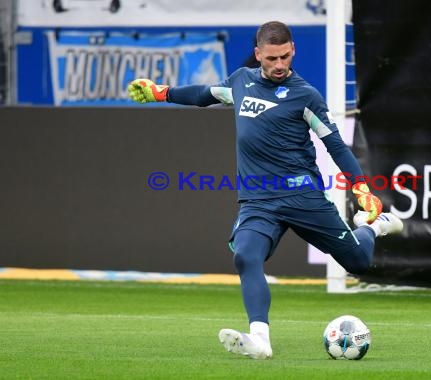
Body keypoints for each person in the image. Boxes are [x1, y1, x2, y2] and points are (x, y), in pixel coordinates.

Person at [127, 21, 403, 360]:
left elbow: (336, 145)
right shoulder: (241, 82)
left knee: (358, 261)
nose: (279, 65)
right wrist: (162, 92)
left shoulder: (306, 96)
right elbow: (204, 94)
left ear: (293, 51)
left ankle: (373, 226)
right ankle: (260, 339)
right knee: (245, 256)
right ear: (258, 54)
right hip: (259, 200)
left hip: (304, 196)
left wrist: (361, 188)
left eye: (285, 56)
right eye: (271, 58)